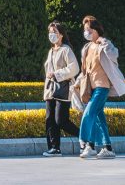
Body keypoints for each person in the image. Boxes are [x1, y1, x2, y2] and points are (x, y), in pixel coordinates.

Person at [77, 15, 125, 160]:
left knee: (89, 114)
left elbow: (114, 55)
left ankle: (89, 144)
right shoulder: (87, 47)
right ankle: (108, 148)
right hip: (91, 88)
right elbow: (85, 70)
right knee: (99, 117)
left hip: (102, 87)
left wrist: (104, 42)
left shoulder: (105, 44)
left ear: (95, 30)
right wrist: (77, 82)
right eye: (85, 29)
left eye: (88, 29)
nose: (86, 32)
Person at [42, 21, 80, 156]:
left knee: (61, 120)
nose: (52, 35)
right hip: (51, 90)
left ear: (61, 35)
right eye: (50, 33)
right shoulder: (51, 51)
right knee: (50, 120)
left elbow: (74, 68)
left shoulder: (66, 50)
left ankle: (84, 137)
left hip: (63, 89)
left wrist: (57, 74)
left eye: (55, 33)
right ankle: (54, 148)